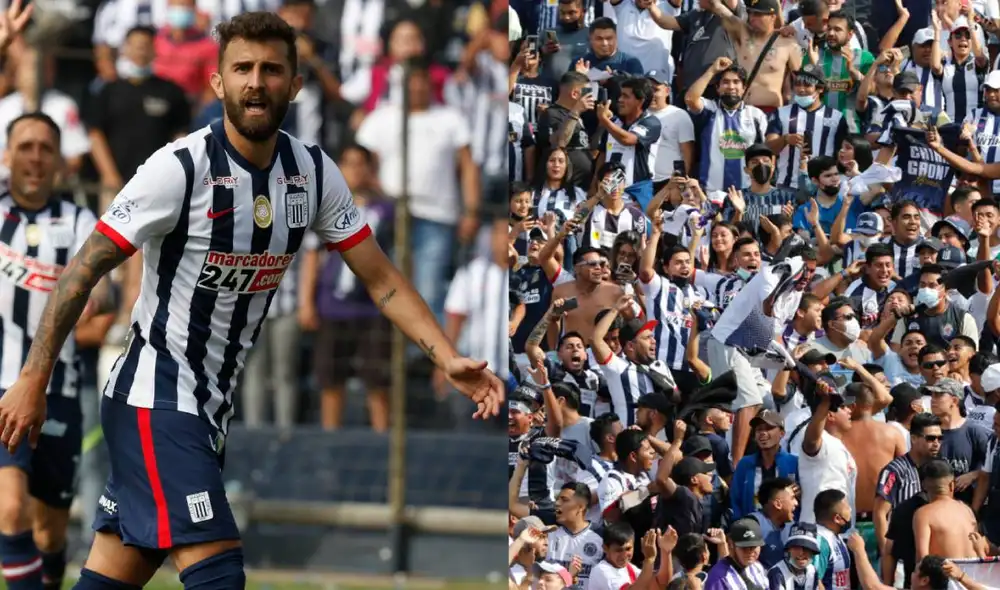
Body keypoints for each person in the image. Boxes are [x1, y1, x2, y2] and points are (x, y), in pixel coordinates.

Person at [0, 12, 503, 589]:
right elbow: (78, 275)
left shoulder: (312, 173)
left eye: (271, 69)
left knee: (114, 575)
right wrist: (32, 380)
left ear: (295, 84)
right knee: (220, 574)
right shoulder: (179, 168)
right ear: (218, 83)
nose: (255, 82)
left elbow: (380, 276)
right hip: (153, 399)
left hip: (209, 411)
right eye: (241, 68)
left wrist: (446, 355)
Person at [0, 108, 101, 590]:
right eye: (25, 146)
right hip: (3, 386)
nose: (35, 157)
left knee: (49, 534)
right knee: (10, 508)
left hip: (59, 387)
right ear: (6, 156)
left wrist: (95, 301)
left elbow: (98, 286)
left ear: (59, 161)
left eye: (45, 148)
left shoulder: (80, 220)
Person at [873, 412, 942, 573]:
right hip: (901, 555)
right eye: (931, 438)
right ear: (914, 438)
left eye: (940, 438)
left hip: (930, 553)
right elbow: (880, 514)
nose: (936, 443)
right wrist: (887, 554)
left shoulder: (940, 469)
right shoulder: (894, 470)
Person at [913, 458, 980, 560]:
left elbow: (922, 558)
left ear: (924, 486)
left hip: (946, 572)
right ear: (951, 485)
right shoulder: (967, 510)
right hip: (974, 574)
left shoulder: (923, 514)